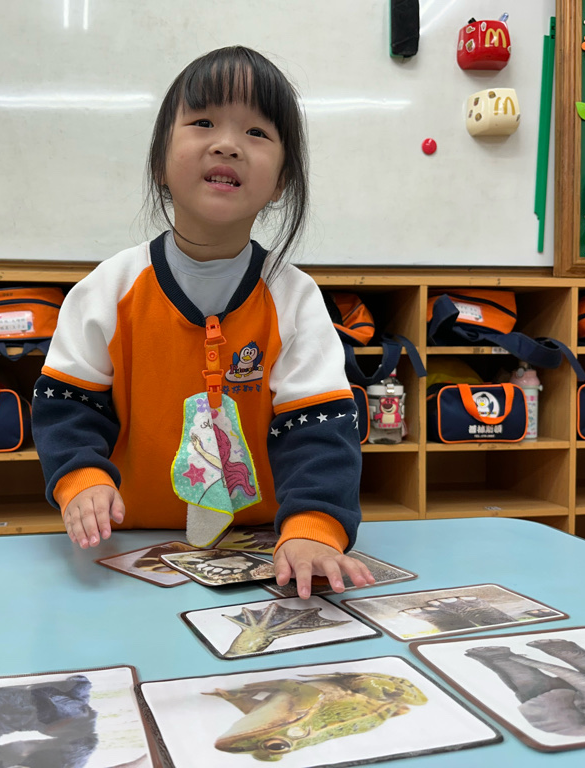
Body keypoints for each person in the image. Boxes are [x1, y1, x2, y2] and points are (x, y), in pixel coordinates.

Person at [31, 46, 372, 599]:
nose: (227, 144)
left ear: (281, 182)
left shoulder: (295, 299)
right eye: (203, 123)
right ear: (160, 164)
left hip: (268, 552)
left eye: (257, 132)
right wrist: (81, 479)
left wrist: (313, 527)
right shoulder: (107, 291)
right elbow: (68, 408)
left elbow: (319, 431)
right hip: (123, 551)